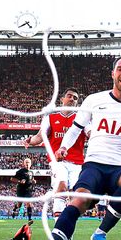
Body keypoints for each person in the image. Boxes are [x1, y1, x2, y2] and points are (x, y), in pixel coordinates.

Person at [31, 54, 121, 240]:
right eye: (120, 69)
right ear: (113, 73)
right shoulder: (94, 100)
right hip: (94, 166)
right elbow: (76, 129)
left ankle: (100, 233)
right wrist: (64, 146)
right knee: (79, 201)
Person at [24, 87, 87, 220]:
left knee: (77, 195)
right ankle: (59, 225)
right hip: (57, 161)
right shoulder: (51, 117)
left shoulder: (81, 118)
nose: (72, 99)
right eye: (69, 96)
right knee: (61, 186)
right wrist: (30, 141)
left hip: (77, 163)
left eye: (75, 98)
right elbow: (40, 136)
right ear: (62, 99)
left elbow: (90, 133)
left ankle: (68, 224)